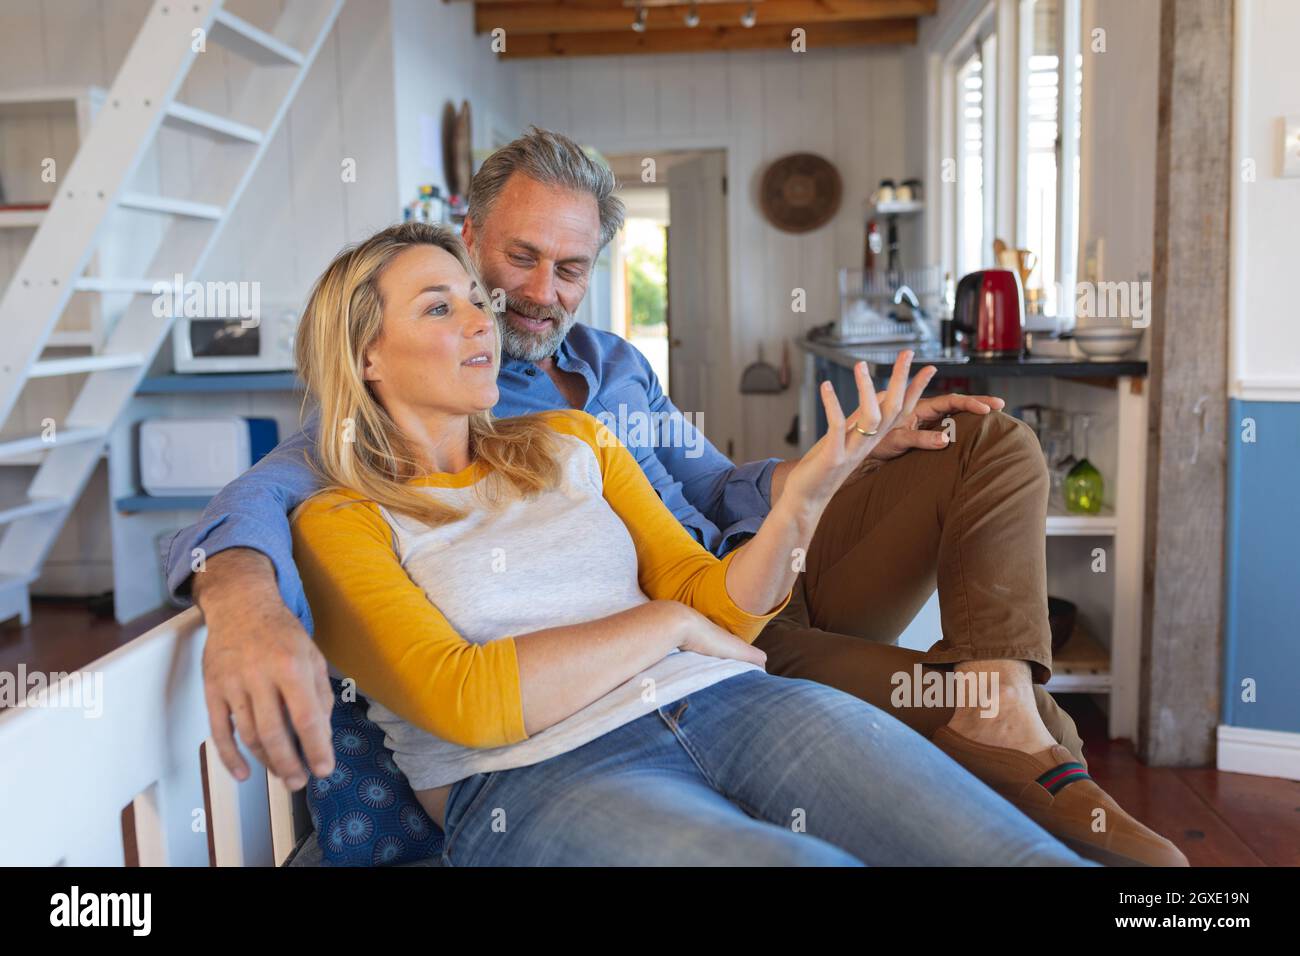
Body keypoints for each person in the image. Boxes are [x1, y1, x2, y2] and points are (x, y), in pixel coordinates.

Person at [173, 127, 1185, 866]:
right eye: (515, 261)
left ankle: (1002, 694)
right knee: (977, 743)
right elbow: (267, 501)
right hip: (706, 647)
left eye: (569, 267)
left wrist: (829, 470)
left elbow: (713, 487)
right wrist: (241, 597)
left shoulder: (603, 377)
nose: (534, 295)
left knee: (982, 437)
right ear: (470, 233)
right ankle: (1114, 834)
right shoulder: (385, 440)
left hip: (736, 600)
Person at [284, 219, 1090, 865]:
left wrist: (800, 504)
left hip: (727, 699)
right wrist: (665, 627)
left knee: (1010, 852)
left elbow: (714, 607)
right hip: (535, 776)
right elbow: (467, 700)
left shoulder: (572, 440)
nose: (480, 319)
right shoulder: (340, 522)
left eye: (472, 298)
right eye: (438, 307)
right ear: (366, 355)